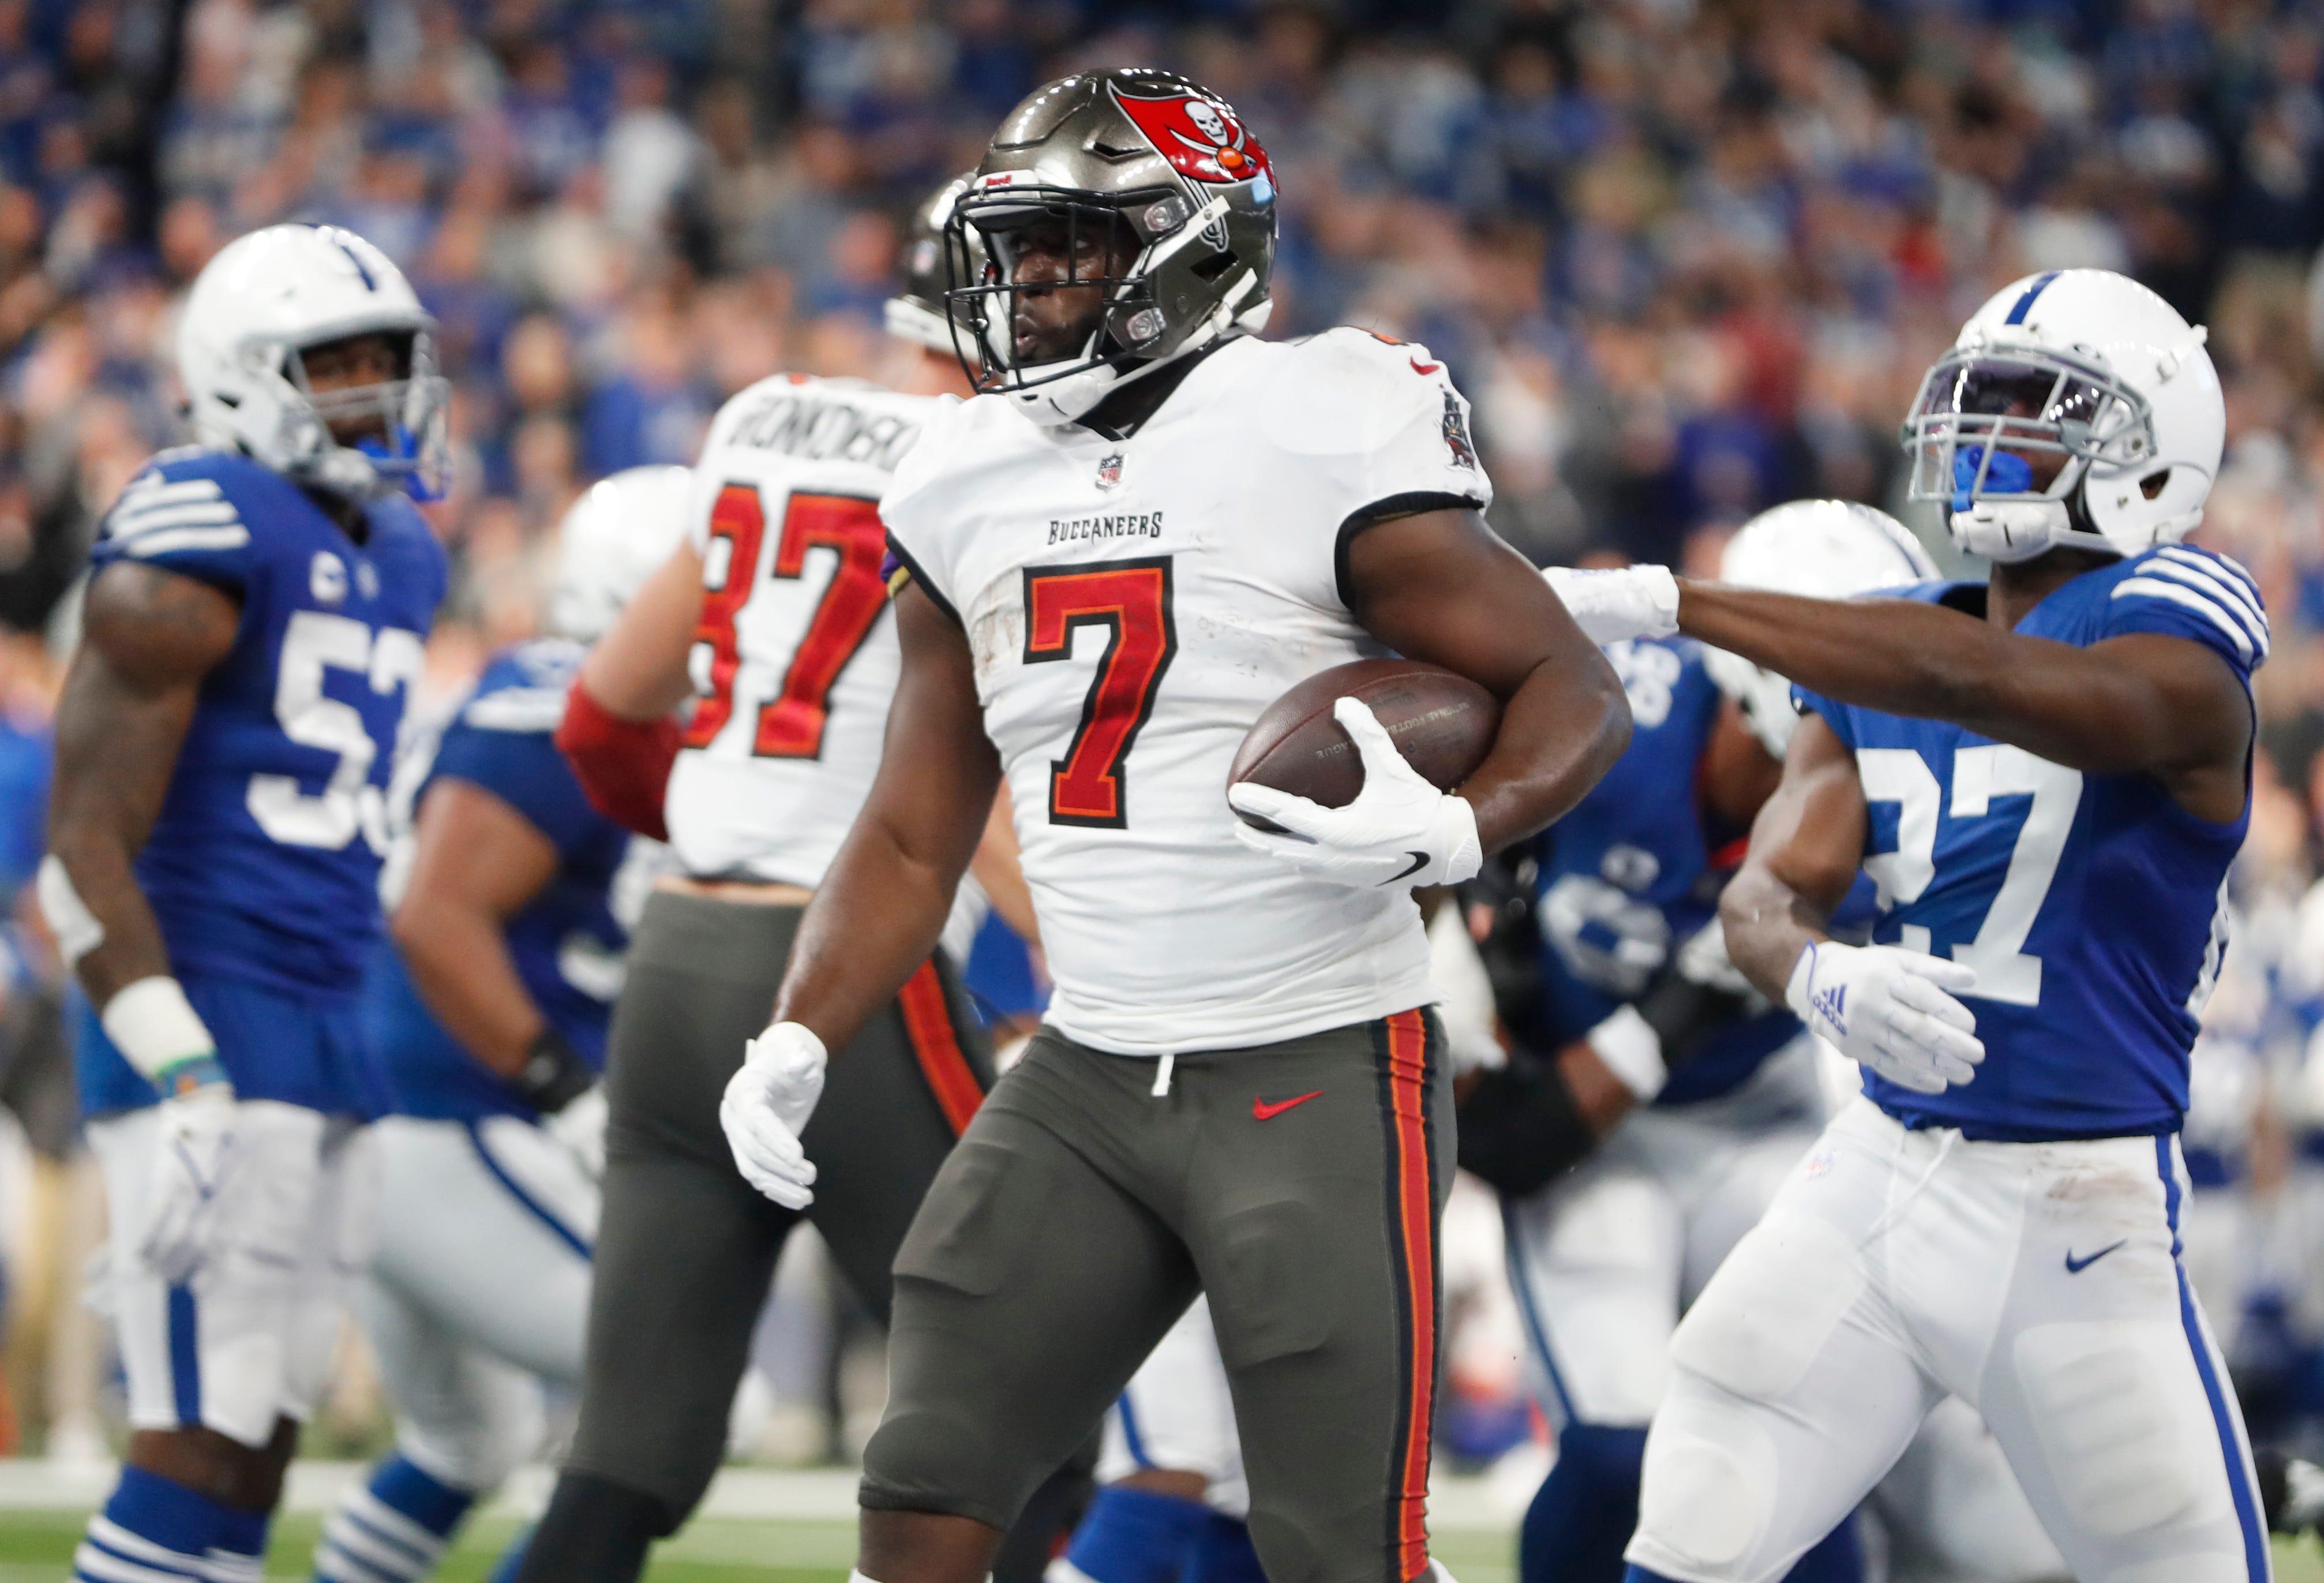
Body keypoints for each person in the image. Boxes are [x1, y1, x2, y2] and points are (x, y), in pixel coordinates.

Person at [720, 68, 1629, 1583]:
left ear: (1190, 246)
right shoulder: (957, 476)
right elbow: (906, 829)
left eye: (1074, 244)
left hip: (1314, 1060)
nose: (1032, 281)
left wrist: (1466, 830)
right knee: (925, 1491)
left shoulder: (1313, 421)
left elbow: (1564, 681)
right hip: (1084, 1069)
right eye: (1021, 247)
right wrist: (799, 1029)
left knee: (1339, 1552)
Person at [1555, 267, 2270, 1583]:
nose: (1987, 439)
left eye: (2038, 413)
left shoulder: (2178, 632)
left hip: (2078, 1199)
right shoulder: (1884, 646)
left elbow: (1977, 680)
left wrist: (1676, 600)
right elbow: (1765, 894)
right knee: (1691, 1534)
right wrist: (1817, 975)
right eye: (1977, 404)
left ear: (2154, 464)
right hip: (1878, 1171)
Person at [508, 174, 1030, 1583]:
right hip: (846, 975)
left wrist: (707, 817)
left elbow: (604, 716)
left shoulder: (759, 419)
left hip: (679, 959)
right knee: (1025, 1427)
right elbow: (957, 803)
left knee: (624, 1459)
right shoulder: (988, 463)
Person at [43, 224, 448, 1583]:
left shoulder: (403, 550)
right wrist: (181, 1071)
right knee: (191, 1433)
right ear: (239, 376)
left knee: (261, 1441)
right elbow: (81, 848)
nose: (372, 397)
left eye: (385, 366)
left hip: (333, 1010)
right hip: (209, 1006)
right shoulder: (196, 527)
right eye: (333, 366)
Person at [310, 466, 688, 1583]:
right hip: (451, 1114)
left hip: (417, 1113)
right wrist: (560, 1089)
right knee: (685, 1391)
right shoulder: (559, 705)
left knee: (467, 1439)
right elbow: (437, 916)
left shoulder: (585, 698)